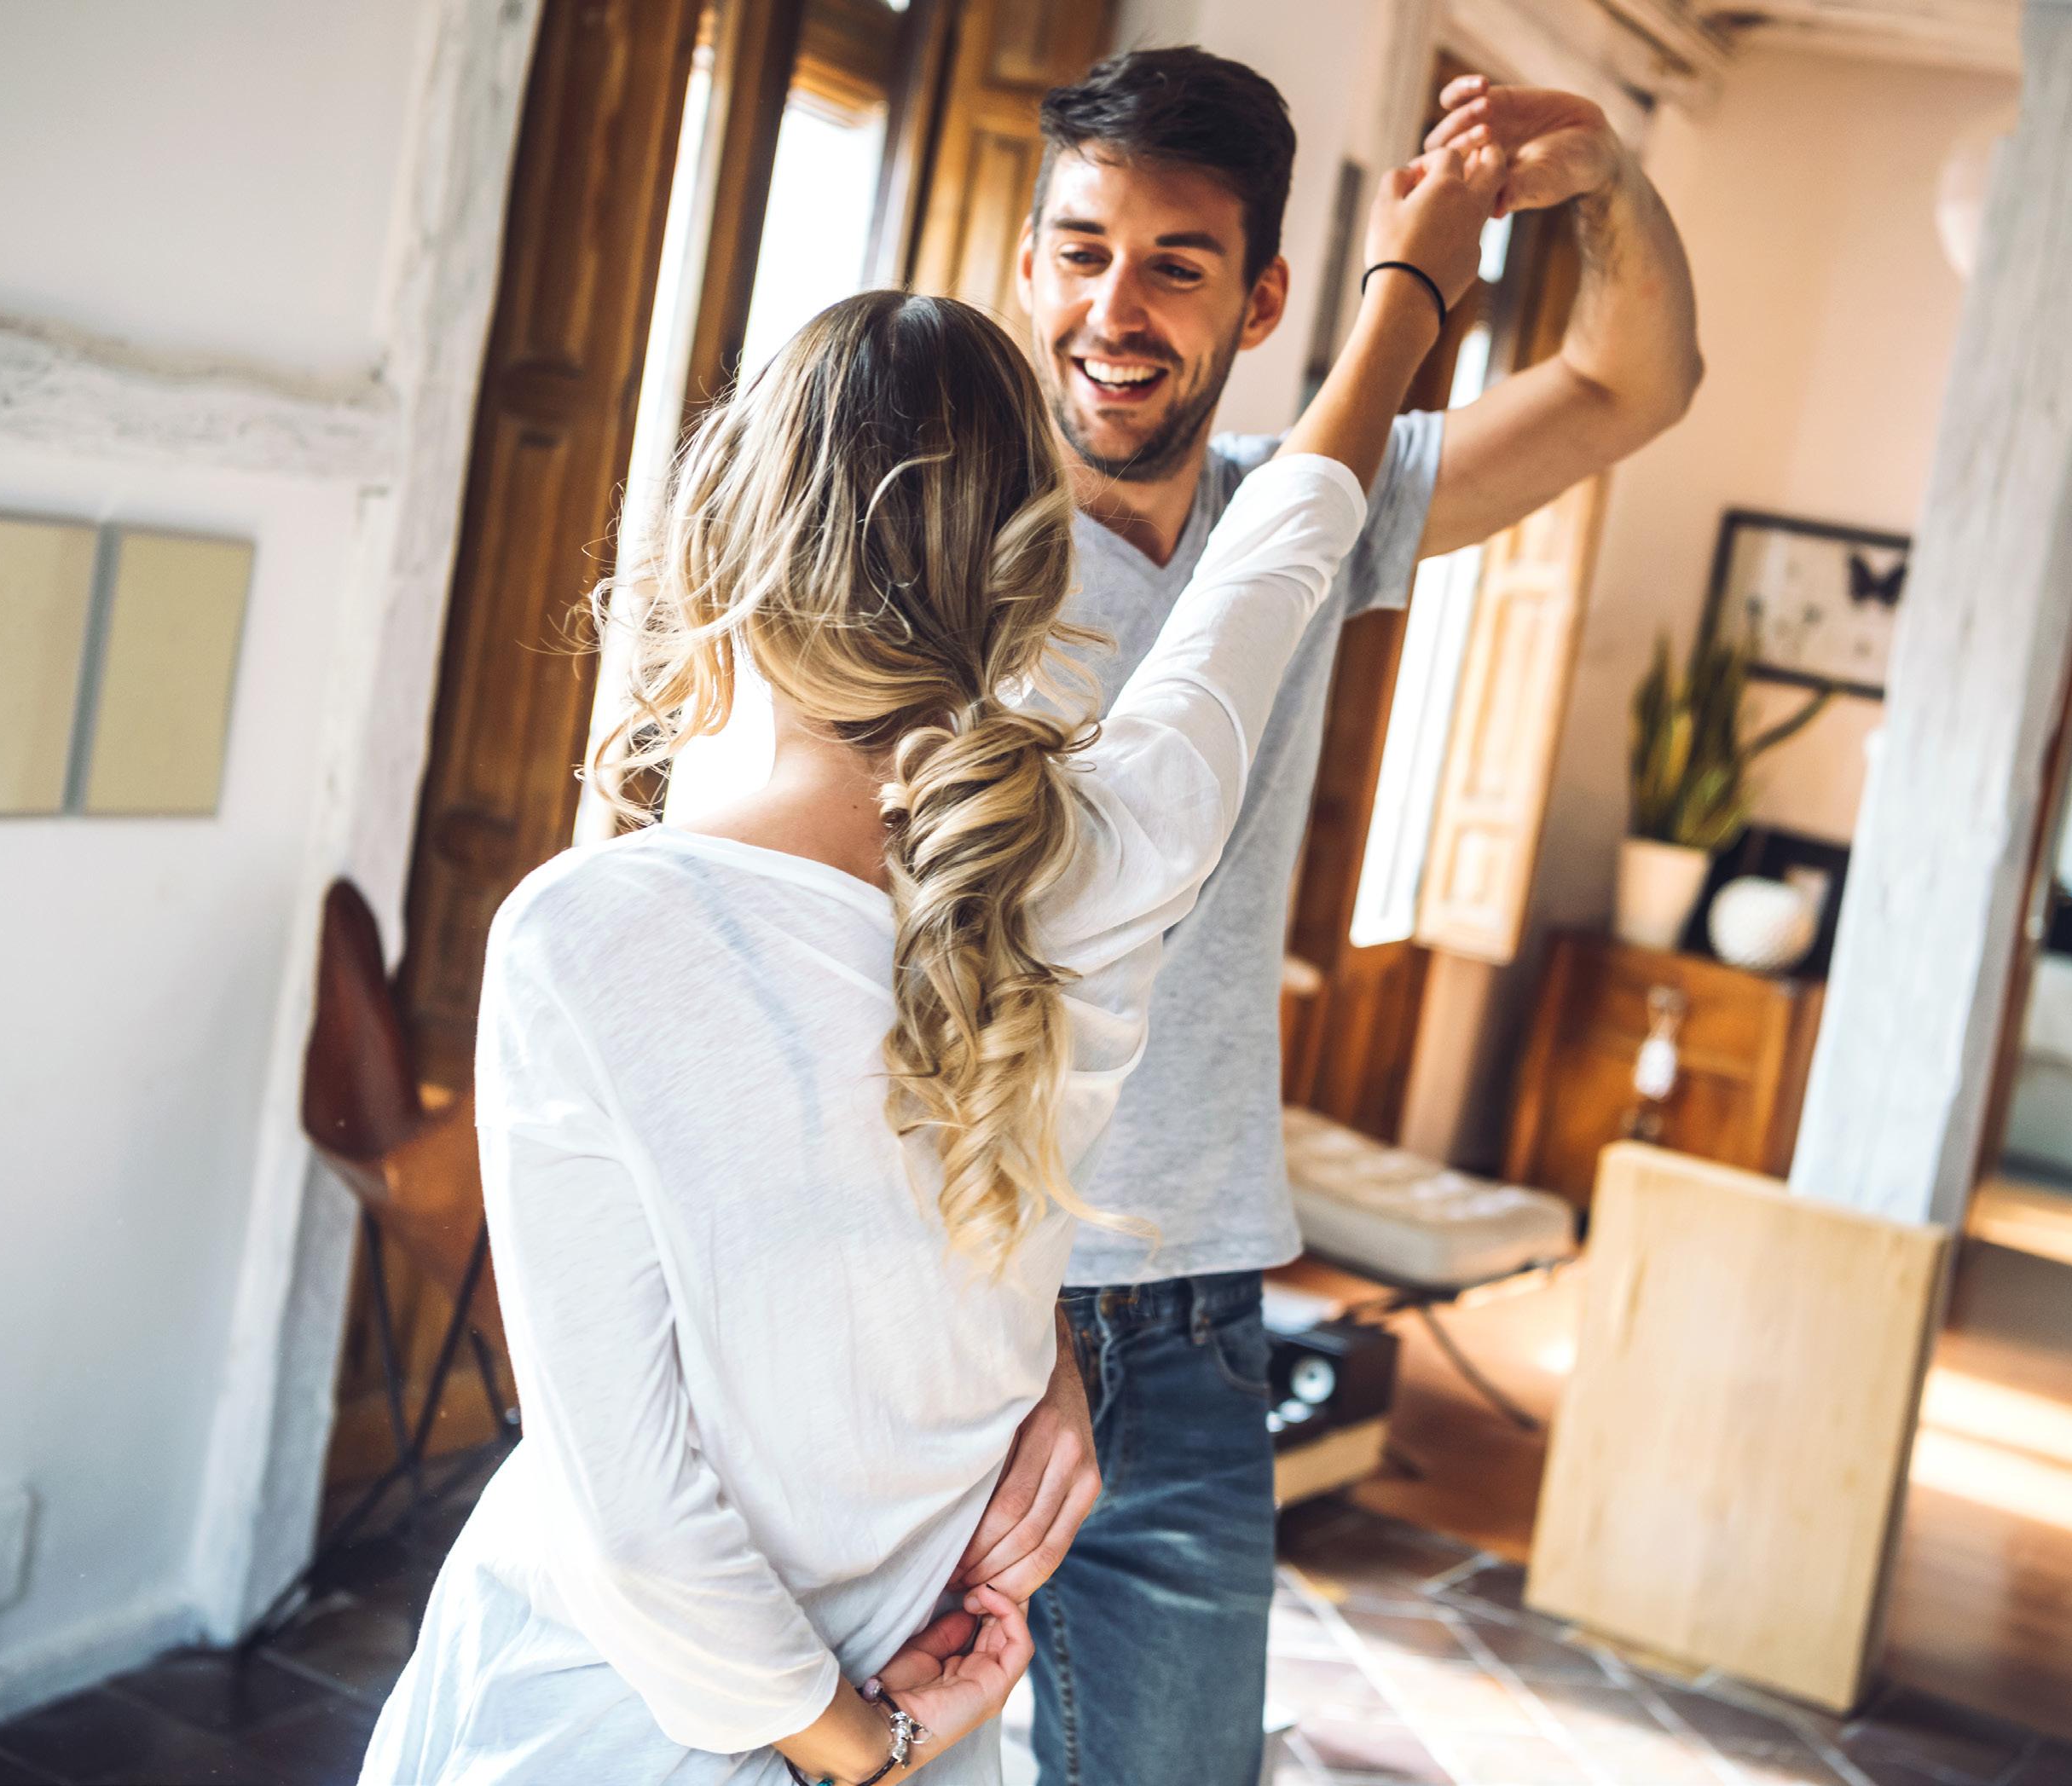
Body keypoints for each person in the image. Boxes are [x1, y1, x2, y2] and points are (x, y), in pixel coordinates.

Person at [356, 136, 1507, 1785]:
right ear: (1030, 581)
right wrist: (1408, 291)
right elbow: (1278, 554)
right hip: (911, 1712)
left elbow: (630, 1508)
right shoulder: (1114, 849)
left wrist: (857, 1740)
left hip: (606, 1727)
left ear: (721, 538)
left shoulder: (587, 933)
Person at [938, 49, 1703, 1786]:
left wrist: (1602, 181)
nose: (1113, 309)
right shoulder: (947, 542)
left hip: (1194, 1323)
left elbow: (1631, 383)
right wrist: (1414, 292)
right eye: (1081, 253)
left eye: (1175, 265)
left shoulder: (1307, 508)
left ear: (1265, 299)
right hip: (964, 1299)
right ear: (1029, 264)